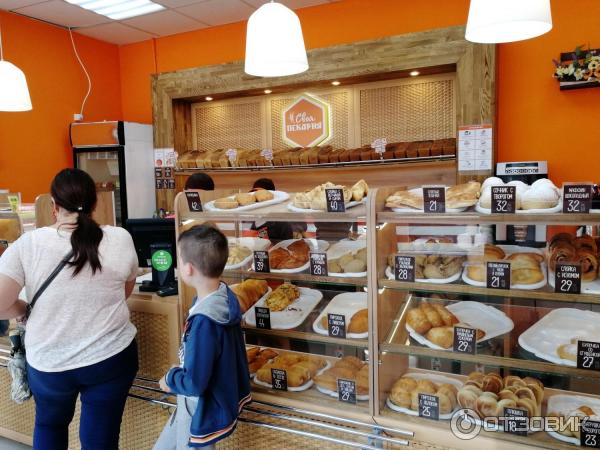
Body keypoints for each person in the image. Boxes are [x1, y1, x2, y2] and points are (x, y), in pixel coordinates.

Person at [0, 168, 139, 450]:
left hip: (50, 363)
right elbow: (124, 292)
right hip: (110, 358)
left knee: (49, 426)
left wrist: (22, 309)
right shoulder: (120, 238)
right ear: (95, 203)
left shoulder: (29, 244)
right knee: (101, 439)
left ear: (54, 206)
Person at [154, 225, 251, 450]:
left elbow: (195, 383)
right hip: (196, 402)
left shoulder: (205, 321)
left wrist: (170, 379)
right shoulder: (223, 297)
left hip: (198, 408)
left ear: (188, 269)